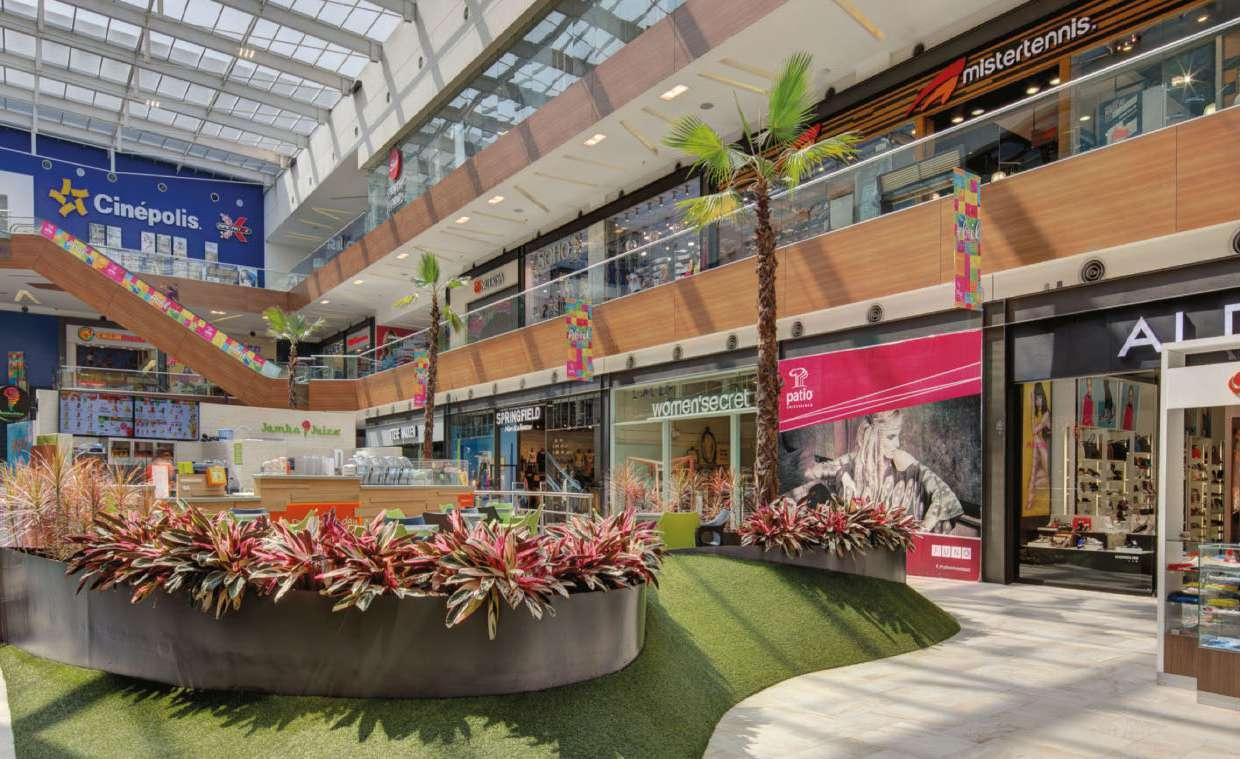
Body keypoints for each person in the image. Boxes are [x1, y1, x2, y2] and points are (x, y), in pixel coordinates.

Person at [794, 410, 964, 533]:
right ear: (873, 436)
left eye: (897, 436)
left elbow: (946, 497)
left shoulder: (906, 464)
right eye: (891, 437)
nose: (897, 443)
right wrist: (841, 474)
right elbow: (809, 474)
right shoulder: (852, 462)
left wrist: (924, 530)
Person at [1026, 383, 1051, 513]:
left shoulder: (1046, 414)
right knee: (1033, 478)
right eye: (1035, 399)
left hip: (1051, 452)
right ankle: (1030, 500)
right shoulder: (1042, 414)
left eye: (1039, 398)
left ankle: (1030, 500)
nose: (1037, 401)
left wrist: (1031, 407)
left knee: (1036, 440)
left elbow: (1034, 430)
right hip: (1044, 451)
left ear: (1044, 398)